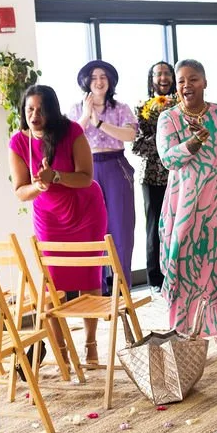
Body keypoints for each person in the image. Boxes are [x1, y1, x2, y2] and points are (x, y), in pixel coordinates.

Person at [8, 85, 108, 364]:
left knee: (89, 277)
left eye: (41, 109)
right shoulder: (18, 142)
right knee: (51, 283)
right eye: (29, 109)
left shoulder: (72, 131)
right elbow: (20, 190)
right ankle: (61, 351)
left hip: (85, 210)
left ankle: (90, 343)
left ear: (52, 110)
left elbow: (86, 177)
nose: (34, 115)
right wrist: (39, 185)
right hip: (49, 216)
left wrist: (56, 177)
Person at [157, 59, 217, 340]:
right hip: (184, 204)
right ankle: (182, 333)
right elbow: (169, 159)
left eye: (193, 79)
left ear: (205, 83)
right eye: (182, 80)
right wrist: (193, 143)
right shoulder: (169, 118)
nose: (187, 85)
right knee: (182, 265)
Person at [67, 60, 138, 294]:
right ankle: (95, 288)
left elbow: (129, 135)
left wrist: (99, 122)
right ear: (86, 81)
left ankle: (121, 288)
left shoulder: (121, 108)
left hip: (116, 166)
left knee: (121, 228)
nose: (99, 81)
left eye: (104, 77)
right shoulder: (76, 109)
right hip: (87, 170)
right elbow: (70, 136)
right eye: (94, 77)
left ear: (110, 82)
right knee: (92, 229)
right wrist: (87, 116)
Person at [133, 61, 177, 291]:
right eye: (158, 74)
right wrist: (166, 141)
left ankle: (180, 274)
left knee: (181, 225)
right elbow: (137, 145)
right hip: (152, 177)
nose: (163, 78)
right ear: (151, 79)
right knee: (154, 228)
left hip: (181, 174)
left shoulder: (183, 105)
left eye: (167, 73)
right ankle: (155, 281)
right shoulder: (141, 107)